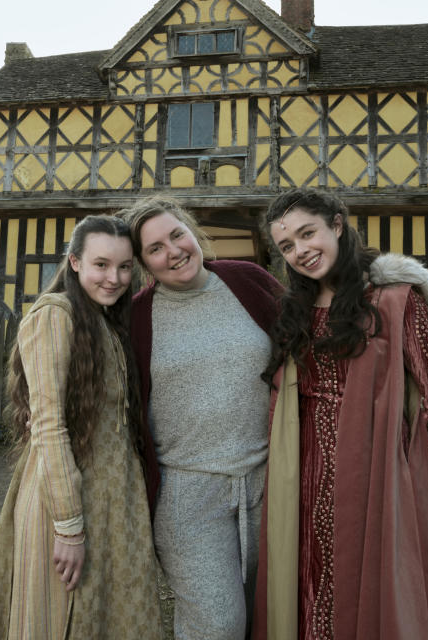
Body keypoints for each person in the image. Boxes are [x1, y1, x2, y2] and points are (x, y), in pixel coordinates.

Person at [253, 189, 428, 640]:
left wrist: (389, 460)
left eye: (307, 233)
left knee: (362, 596)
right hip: (299, 479)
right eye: (287, 246)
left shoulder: (395, 299)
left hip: (373, 482)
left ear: (337, 224)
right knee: (304, 588)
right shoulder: (296, 311)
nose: (300, 251)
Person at [0, 215, 160, 640]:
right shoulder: (56, 315)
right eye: (101, 265)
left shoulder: (105, 321)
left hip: (115, 498)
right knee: (61, 619)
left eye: (124, 267)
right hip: (68, 500)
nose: (114, 278)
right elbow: (48, 426)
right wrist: (68, 526)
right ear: (74, 263)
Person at [120, 197, 283, 640]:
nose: (172, 251)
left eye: (177, 235)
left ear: (193, 233)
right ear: (143, 263)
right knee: (217, 624)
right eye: (155, 249)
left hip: (269, 483)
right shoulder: (136, 317)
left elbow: (307, 344)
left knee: (268, 615)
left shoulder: (249, 282)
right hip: (187, 493)